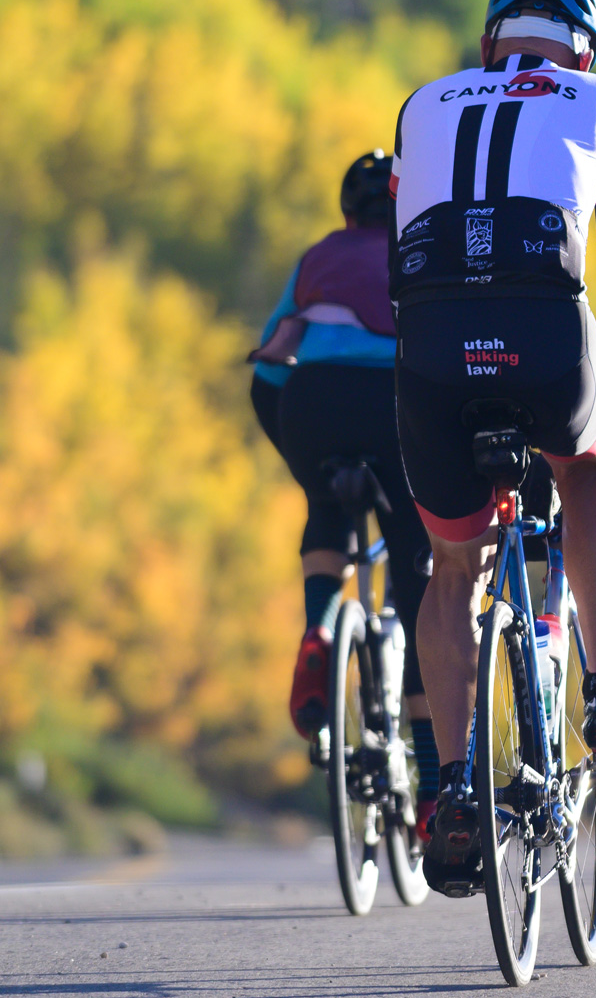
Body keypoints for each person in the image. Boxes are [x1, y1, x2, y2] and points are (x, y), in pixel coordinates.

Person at [388, 0, 596, 892]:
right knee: (586, 468)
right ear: (585, 51)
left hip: (430, 347)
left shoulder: (422, 101)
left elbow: (408, 244)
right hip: (546, 332)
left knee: (451, 570)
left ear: (487, 45)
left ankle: (457, 781)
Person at [249, 151, 439, 816]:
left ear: (346, 212)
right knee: (419, 584)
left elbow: (268, 370)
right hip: (393, 403)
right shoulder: (425, 248)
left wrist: (305, 464)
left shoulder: (316, 257)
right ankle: (435, 792)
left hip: (310, 399)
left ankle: (320, 630)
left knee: (324, 498)